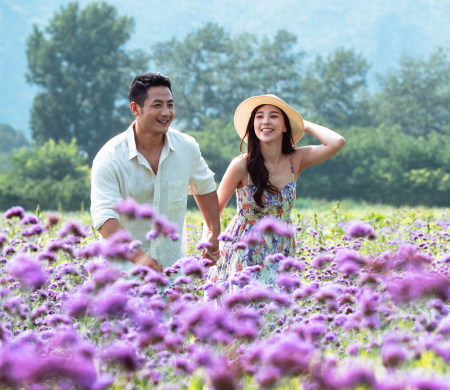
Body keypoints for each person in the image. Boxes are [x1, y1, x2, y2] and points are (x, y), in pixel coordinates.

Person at [209, 94, 345, 287]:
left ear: (285, 126)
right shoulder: (241, 165)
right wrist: (211, 239)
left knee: (277, 313)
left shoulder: (295, 159)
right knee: (245, 310)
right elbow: (215, 208)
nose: (265, 121)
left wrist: (302, 123)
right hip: (245, 248)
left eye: (273, 116)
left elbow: (337, 142)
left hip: (281, 248)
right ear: (252, 125)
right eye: (259, 116)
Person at [90, 72, 221, 271]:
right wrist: (140, 259)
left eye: (170, 104)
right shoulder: (110, 157)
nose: (166, 112)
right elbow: (104, 218)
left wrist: (212, 231)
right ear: (135, 108)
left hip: (172, 273)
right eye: (157, 105)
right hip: (121, 276)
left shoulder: (187, 147)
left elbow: (206, 187)